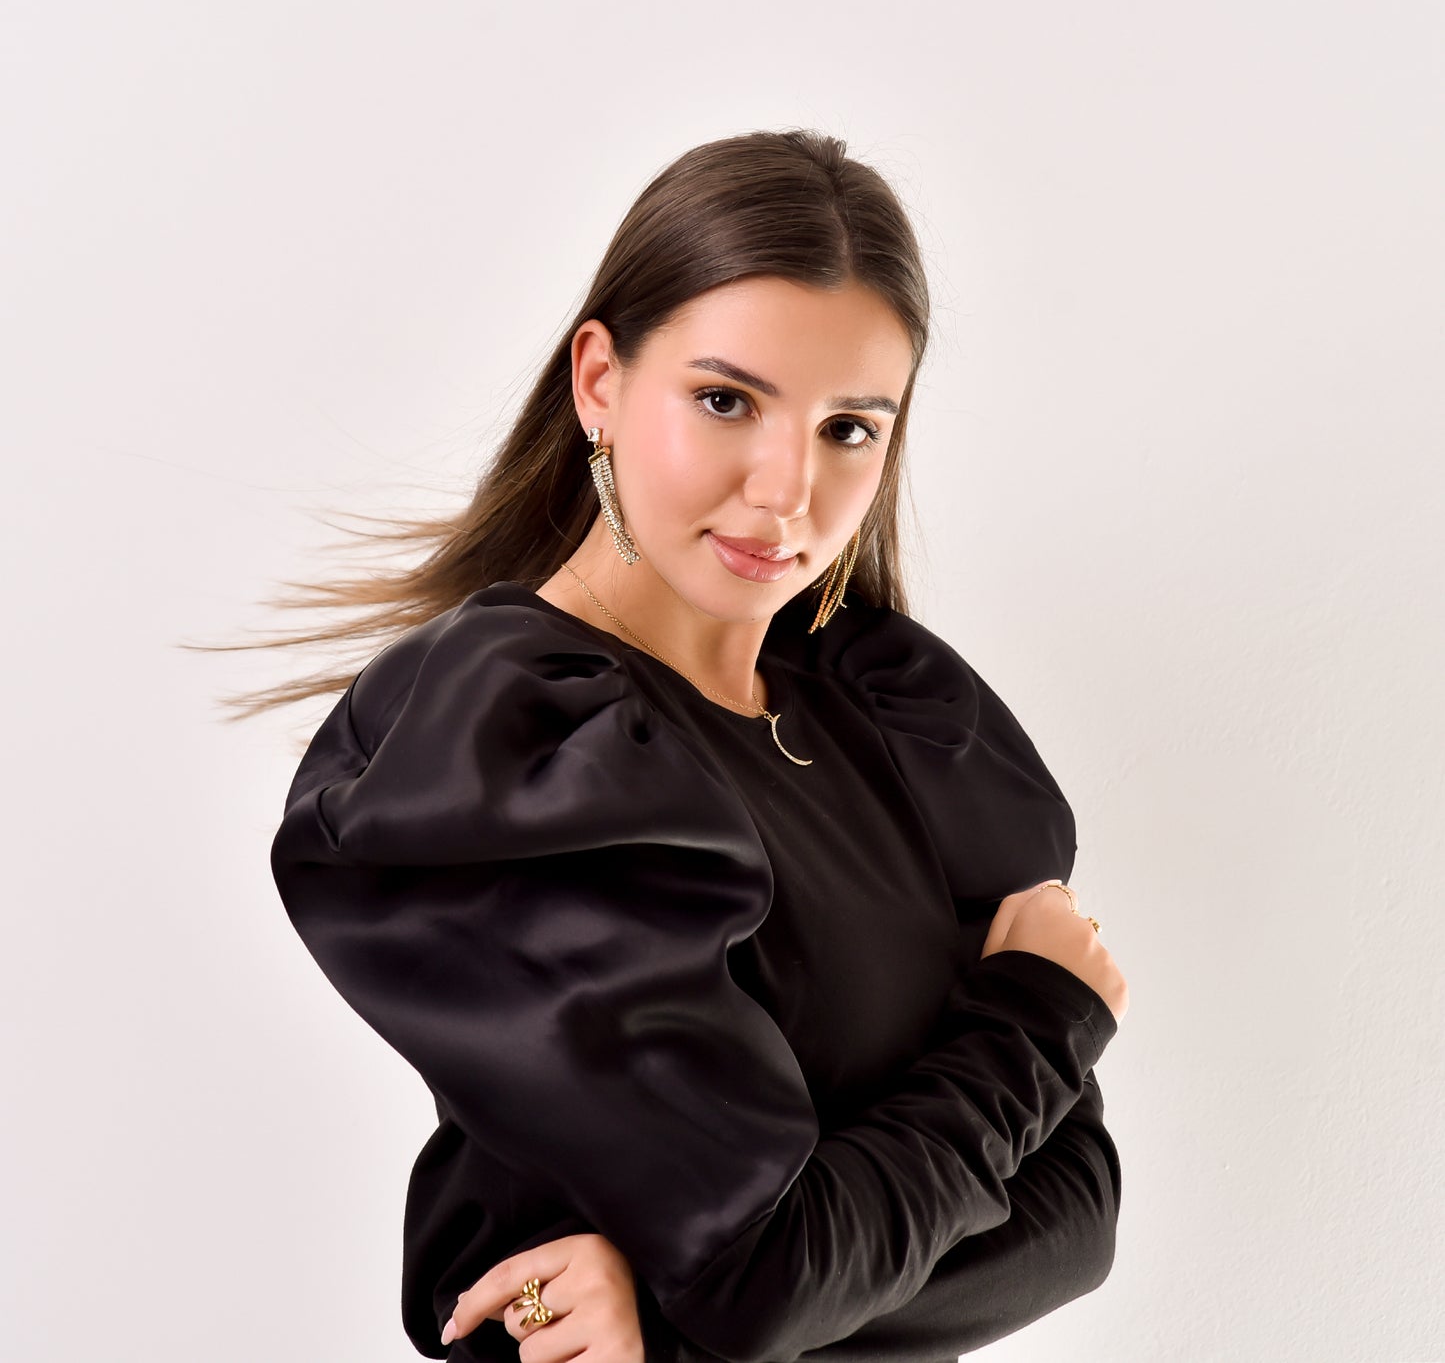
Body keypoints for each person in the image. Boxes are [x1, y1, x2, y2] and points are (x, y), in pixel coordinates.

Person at [259, 128, 1129, 1363]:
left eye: (848, 427)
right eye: (726, 400)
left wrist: (677, 1323)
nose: (785, 491)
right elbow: (774, 1272)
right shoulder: (514, 742)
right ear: (599, 382)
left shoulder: (882, 711)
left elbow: (1073, 1218)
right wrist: (1037, 1014)